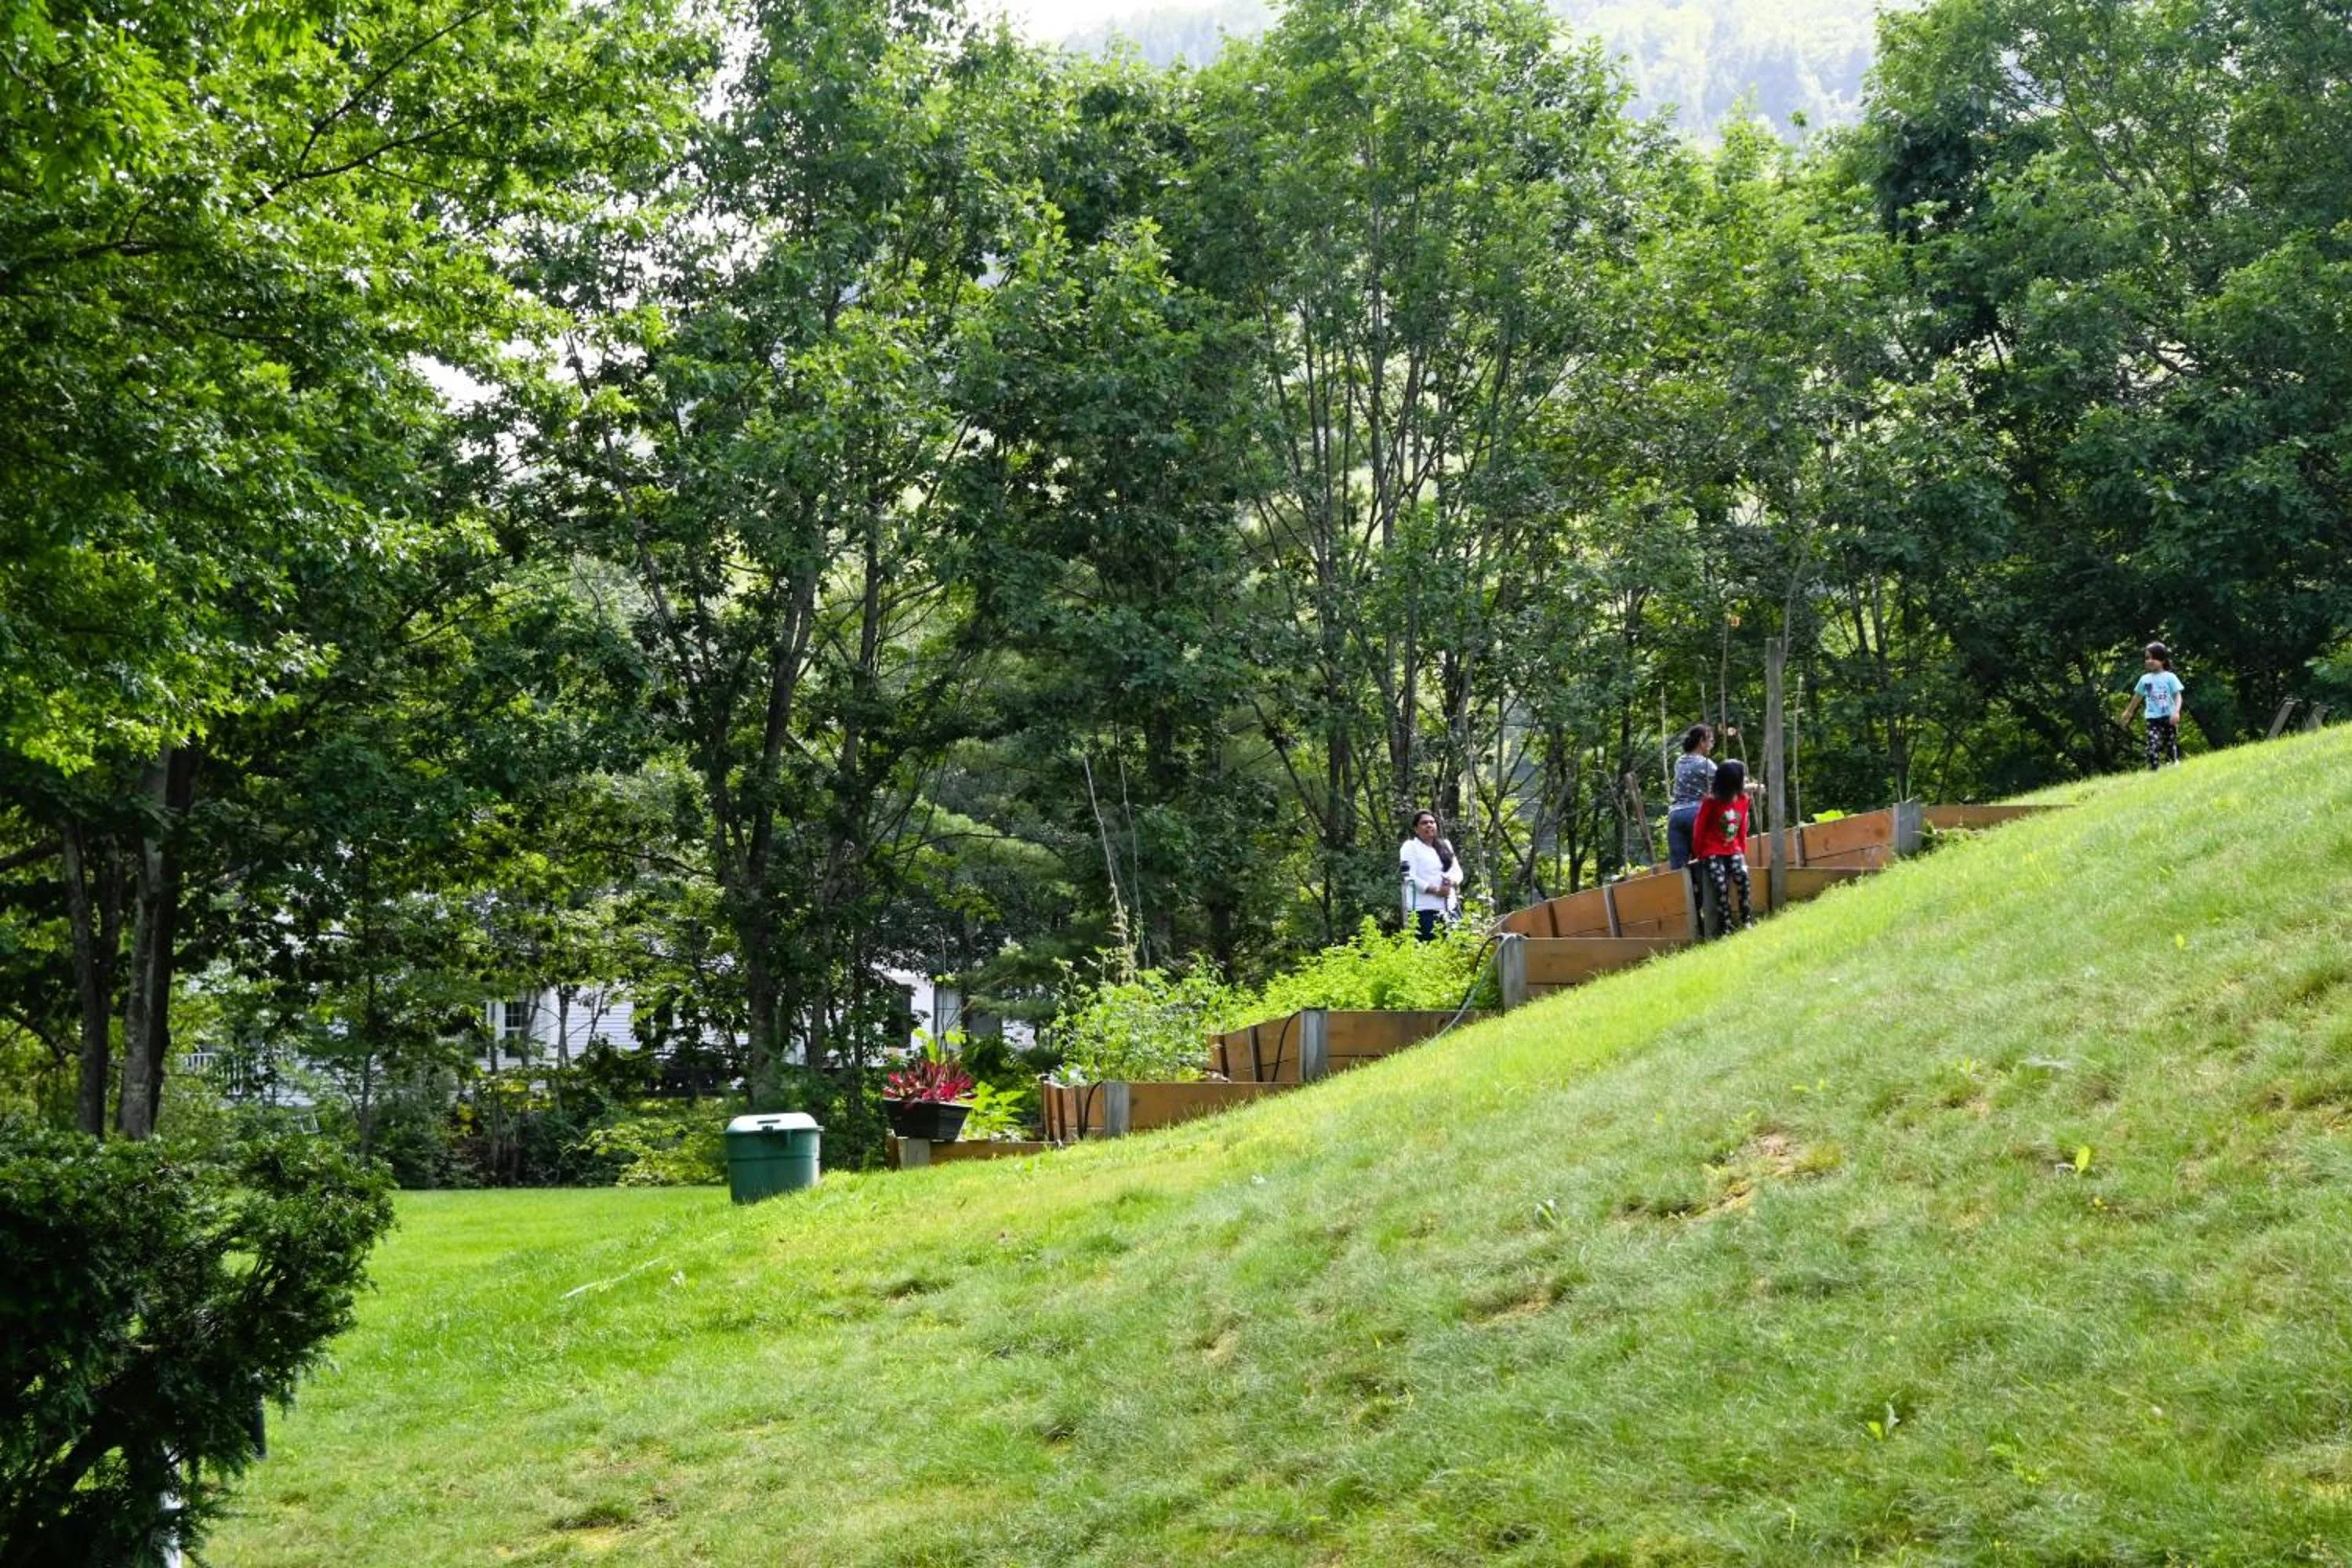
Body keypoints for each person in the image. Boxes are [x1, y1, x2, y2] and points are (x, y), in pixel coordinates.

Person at [1690, 760, 1753, 939]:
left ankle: (1746, 919)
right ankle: (1726, 926)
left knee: (1742, 875)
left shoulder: (1743, 800)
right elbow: (1699, 829)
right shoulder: (1710, 802)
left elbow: (1742, 829)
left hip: (1733, 849)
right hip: (1712, 851)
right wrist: (1699, 853)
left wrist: (1742, 850)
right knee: (1720, 884)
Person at [1398, 810, 1460, 941]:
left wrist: (1449, 883)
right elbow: (1409, 877)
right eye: (1424, 823)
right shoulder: (1410, 847)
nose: (1430, 825)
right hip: (1424, 911)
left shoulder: (1445, 845)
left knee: (1458, 950)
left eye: (1432, 822)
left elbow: (1458, 873)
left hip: (1450, 908)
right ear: (1416, 829)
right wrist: (1436, 890)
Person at [1666, 724, 1716, 874]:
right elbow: (1727, 781)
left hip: (1675, 816)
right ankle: (1703, 896)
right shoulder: (1705, 764)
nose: (1712, 745)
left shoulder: (1680, 761)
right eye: (1711, 741)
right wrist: (1752, 786)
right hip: (1696, 814)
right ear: (1702, 741)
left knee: (1678, 868)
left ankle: (1682, 896)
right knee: (1703, 860)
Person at [2130, 642, 2187, 770]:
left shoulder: (2170, 677)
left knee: (2170, 742)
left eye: (2153, 657)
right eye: (2147, 658)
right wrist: (2129, 712)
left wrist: (2176, 712)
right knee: (2152, 743)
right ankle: (2154, 769)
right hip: (2152, 717)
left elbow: (2177, 696)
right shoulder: (2144, 679)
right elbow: (2137, 697)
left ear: (2163, 660)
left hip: (2168, 716)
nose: (2149, 661)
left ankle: (2172, 762)